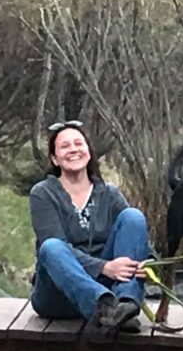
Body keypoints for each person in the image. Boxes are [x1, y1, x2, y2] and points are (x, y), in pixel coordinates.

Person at [28, 120, 150, 333]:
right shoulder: (43, 193)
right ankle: (104, 308)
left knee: (133, 217)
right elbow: (54, 250)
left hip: (110, 290)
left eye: (78, 143)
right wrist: (104, 267)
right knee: (51, 247)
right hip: (57, 295)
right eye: (65, 146)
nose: (73, 149)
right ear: (54, 159)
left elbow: (136, 241)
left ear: (89, 152)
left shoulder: (109, 194)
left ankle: (126, 304)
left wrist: (148, 265)